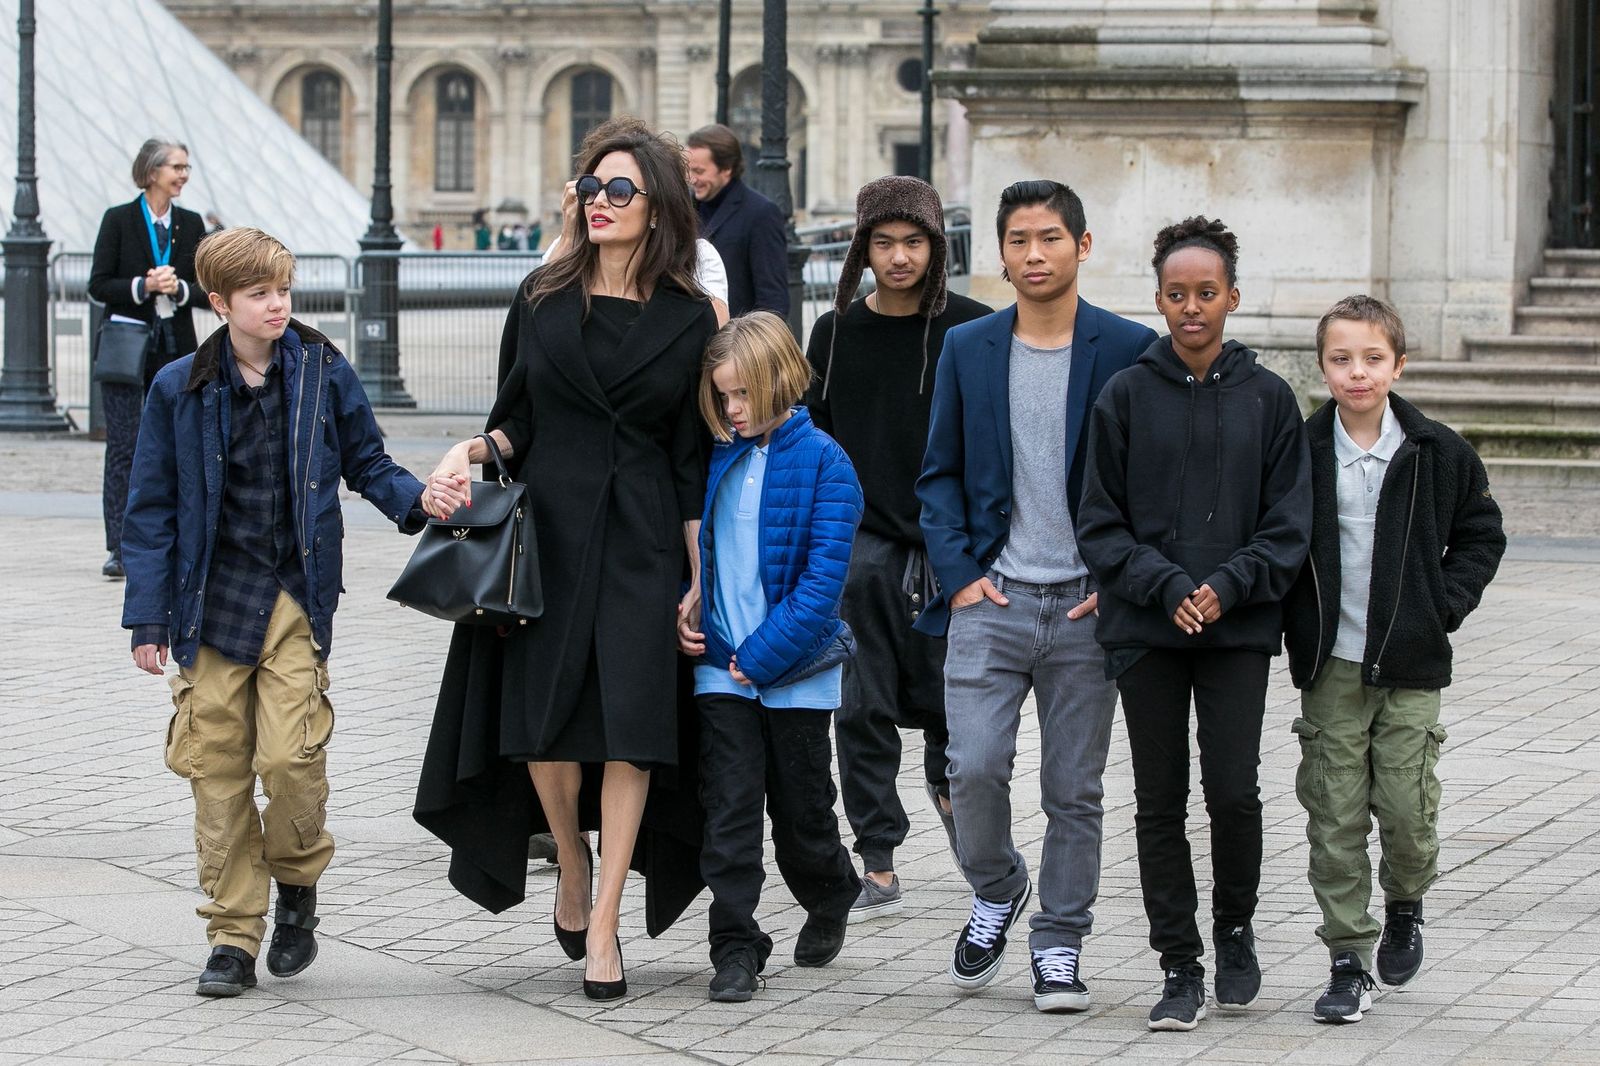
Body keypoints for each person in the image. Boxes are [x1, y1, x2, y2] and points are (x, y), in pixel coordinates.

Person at [413, 117, 719, 1002]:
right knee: (543, 723)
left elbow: (690, 457)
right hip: (546, 531)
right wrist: (465, 452)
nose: (599, 202)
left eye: (619, 190)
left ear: (657, 205)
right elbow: (517, 417)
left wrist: (699, 575)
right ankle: (571, 859)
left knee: (632, 730)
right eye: (590, 188)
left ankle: (610, 919)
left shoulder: (690, 315)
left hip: (644, 536)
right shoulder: (542, 295)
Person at [120, 226, 428, 997]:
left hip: (292, 598)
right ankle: (231, 937)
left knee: (290, 761)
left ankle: (297, 885)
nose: (278, 305)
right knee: (216, 773)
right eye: (259, 294)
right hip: (209, 605)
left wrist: (421, 503)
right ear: (219, 303)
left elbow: (366, 461)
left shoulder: (322, 370)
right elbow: (150, 509)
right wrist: (147, 619)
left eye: (284, 290)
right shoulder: (179, 386)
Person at [916, 180, 1158, 1013]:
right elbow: (938, 473)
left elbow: (1152, 486)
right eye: (1018, 240)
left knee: (1073, 789)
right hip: (994, 598)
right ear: (999, 252)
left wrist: (1124, 585)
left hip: (1089, 607)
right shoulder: (969, 347)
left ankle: (1060, 943)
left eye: (1050, 238)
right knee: (971, 767)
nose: (1034, 255)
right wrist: (960, 580)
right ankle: (996, 885)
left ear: (1082, 247)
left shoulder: (1128, 348)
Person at [1076, 216, 1312, 1032]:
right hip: (1146, 630)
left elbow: (1287, 527)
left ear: (1232, 298)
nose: (1191, 309)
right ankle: (1178, 963)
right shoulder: (1125, 394)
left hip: (1237, 632)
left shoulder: (1271, 399)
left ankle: (1236, 930)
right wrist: (1166, 582)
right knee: (1158, 801)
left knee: (1234, 791)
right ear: (1158, 299)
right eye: (1176, 295)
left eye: (1206, 294)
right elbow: (1098, 522)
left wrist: (1226, 585)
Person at [1283, 295, 1505, 1024]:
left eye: (1372, 358)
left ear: (1398, 365)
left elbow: (1481, 532)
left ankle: (1406, 900)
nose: (1357, 373)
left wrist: (1443, 606)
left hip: (1410, 662)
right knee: (1335, 816)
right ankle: (1348, 958)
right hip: (1331, 667)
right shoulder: (1301, 453)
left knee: (1407, 811)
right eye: (1341, 359)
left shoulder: (1437, 451)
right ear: (1323, 367)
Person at [803, 175, 990, 920]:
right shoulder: (835, 332)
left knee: (960, 710)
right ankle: (875, 852)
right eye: (884, 242)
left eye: (914, 241)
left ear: (936, 247)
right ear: (863, 249)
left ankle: (973, 838)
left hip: (954, 548)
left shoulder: (972, 330)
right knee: (861, 706)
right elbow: (814, 436)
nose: (900, 256)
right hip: (864, 546)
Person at [675, 311, 863, 1002]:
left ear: (781, 377)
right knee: (728, 810)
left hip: (794, 675)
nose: (732, 409)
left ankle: (831, 888)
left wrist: (762, 655)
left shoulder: (827, 464)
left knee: (802, 814)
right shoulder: (715, 455)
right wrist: (687, 609)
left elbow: (821, 586)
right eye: (721, 396)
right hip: (720, 669)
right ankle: (735, 945)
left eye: (743, 394)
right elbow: (696, 553)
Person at [89, 137, 206, 579]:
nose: (183, 175)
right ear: (152, 170)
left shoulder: (191, 223)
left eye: (186, 167)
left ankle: (175, 539)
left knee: (180, 443)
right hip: (127, 346)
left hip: (175, 348)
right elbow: (99, 284)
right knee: (124, 445)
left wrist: (176, 289)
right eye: (177, 167)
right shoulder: (119, 220)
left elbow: (205, 290)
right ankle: (119, 546)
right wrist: (143, 286)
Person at [686, 124, 789, 318]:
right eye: (689, 170)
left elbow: (773, 301)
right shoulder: (683, 208)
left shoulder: (761, 213)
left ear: (726, 169)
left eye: (699, 171)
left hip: (734, 342)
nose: (691, 179)